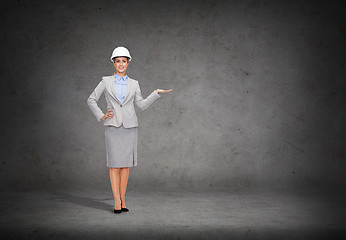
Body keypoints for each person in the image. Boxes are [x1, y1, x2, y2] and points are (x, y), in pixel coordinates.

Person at [87, 46, 172, 214]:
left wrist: (155, 93)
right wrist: (102, 115)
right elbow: (91, 99)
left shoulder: (134, 83)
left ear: (128, 63)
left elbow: (141, 105)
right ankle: (116, 202)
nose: (120, 64)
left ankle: (122, 200)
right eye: (117, 61)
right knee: (113, 165)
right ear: (113, 62)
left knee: (125, 166)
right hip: (112, 126)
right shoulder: (105, 81)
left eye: (123, 61)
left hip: (130, 127)